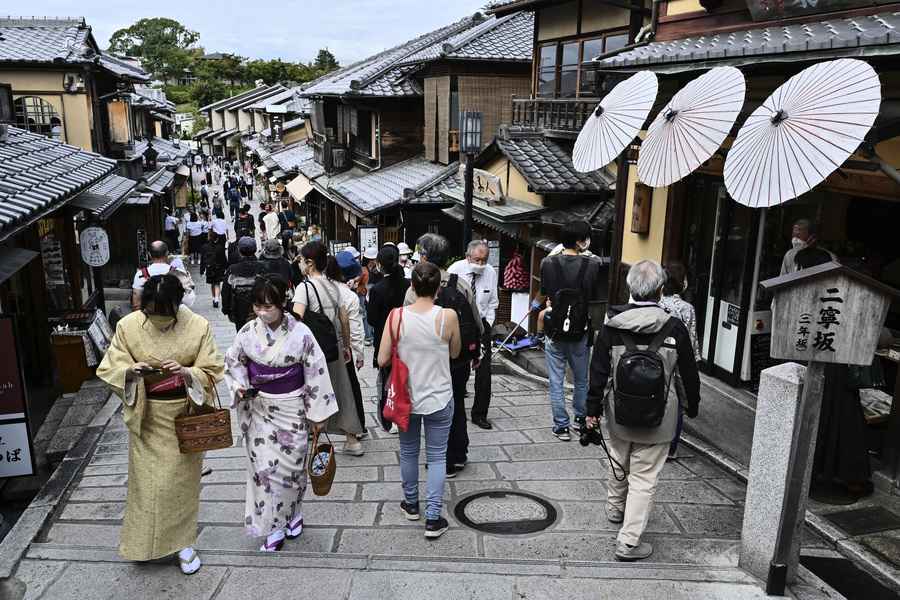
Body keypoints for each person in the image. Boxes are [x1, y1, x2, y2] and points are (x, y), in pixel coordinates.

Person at [96, 273, 224, 574]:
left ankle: (183, 544)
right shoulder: (128, 326)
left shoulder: (197, 326)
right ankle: (143, 544)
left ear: (177, 306)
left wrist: (185, 372)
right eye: (150, 313)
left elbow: (213, 368)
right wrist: (130, 370)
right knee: (147, 486)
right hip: (147, 416)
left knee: (178, 485)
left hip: (183, 415)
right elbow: (109, 365)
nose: (156, 320)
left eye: (163, 314)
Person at [586, 260, 701, 562]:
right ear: (661, 290)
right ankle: (628, 542)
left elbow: (597, 372)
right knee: (644, 477)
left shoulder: (611, 325)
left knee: (618, 458)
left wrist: (592, 408)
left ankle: (614, 509)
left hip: (618, 412)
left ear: (629, 288)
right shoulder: (674, 327)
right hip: (661, 416)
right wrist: (692, 406)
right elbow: (689, 374)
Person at [224, 275, 337, 552]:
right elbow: (233, 362)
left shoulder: (301, 333)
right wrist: (239, 387)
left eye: (268, 307)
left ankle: (294, 513)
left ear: (282, 303)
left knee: (292, 471)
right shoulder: (248, 331)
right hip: (259, 408)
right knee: (264, 471)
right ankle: (272, 528)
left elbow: (316, 372)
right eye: (258, 307)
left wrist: (318, 414)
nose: (262, 313)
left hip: (292, 409)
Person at [378, 262, 461, 539]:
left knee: (409, 451)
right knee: (437, 457)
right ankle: (434, 518)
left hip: (406, 398)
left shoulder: (396, 316)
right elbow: (455, 352)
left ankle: (412, 504)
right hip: (439, 396)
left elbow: (381, 359)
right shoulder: (447, 317)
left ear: (411, 286)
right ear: (439, 288)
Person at [406, 234, 482, 477]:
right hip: (458, 359)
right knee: (457, 402)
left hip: (427, 361)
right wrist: (476, 349)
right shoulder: (460, 283)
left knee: (434, 407)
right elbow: (476, 321)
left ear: (425, 257)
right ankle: (458, 454)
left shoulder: (415, 288)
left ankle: (442, 459)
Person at [292, 241, 365, 455]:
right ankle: (352, 440)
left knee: (310, 390)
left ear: (310, 263)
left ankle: (308, 436)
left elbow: (296, 318)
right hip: (334, 346)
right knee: (343, 390)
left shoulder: (304, 287)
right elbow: (343, 317)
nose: (299, 264)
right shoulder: (334, 286)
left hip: (312, 350)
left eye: (301, 260)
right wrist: (347, 345)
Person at [534, 220, 601, 441]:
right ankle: (580, 420)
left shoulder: (547, 263)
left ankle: (561, 426)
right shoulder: (592, 264)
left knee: (556, 379)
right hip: (580, 329)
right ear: (582, 241)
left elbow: (545, 291)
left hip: (554, 327)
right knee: (581, 379)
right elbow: (592, 293)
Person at [448, 240, 499, 430]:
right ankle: (453, 407)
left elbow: (493, 302)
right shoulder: (455, 269)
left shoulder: (491, 272)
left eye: (484, 260)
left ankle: (480, 413)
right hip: (459, 325)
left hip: (482, 325)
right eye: (477, 260)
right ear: (468, 256)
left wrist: (488, 325)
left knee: (484, 372)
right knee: (457, 368)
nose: (480, 264)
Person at [658, 261, 700, 459]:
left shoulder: (655, 304)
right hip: (679, 361)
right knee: (677, 405)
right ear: (682, 282)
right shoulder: (687, 308)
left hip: (657, 359)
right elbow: (691, 344)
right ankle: (671, 447)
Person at [367, 245, 410, 432]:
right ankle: (404, 410)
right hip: (406, 338)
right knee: (404, 377)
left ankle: (388, 417)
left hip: (384, 339)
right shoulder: (408, 284)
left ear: (379, 264)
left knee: (386, 379)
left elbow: (371, 319)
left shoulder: (377, 289)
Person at [329, 252, 367, 434]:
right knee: (351, 386)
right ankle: (358, 426)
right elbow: (355, 329)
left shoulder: (322, 289)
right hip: (345, 349)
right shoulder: (349, 296)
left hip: (323, 347)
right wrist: (358, 353)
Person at [132, 241, 196, 310]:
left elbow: (136, 303)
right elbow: (189, 301)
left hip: (150, 315)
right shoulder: (179, 272)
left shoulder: (141, 274)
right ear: (167, 253)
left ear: (149, 254)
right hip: (173, 315)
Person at [222, 237, 268, 331]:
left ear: (239, 250)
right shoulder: (263, 267)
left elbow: (225, 291)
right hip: (260, 309)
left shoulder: (232, 269)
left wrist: (226, 308)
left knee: (242, 335)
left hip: (238, 310)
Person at [200, 231, 227, 308]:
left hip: (209, 268)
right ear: (217, 238)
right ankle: (217, 299)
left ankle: (213, 297)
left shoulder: (204, 247)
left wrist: (202, 270)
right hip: (218, 268)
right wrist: (226, 268)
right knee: (217, 284)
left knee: (212, 283)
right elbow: (223, 259)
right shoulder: (220, 247)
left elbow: (202, 260)